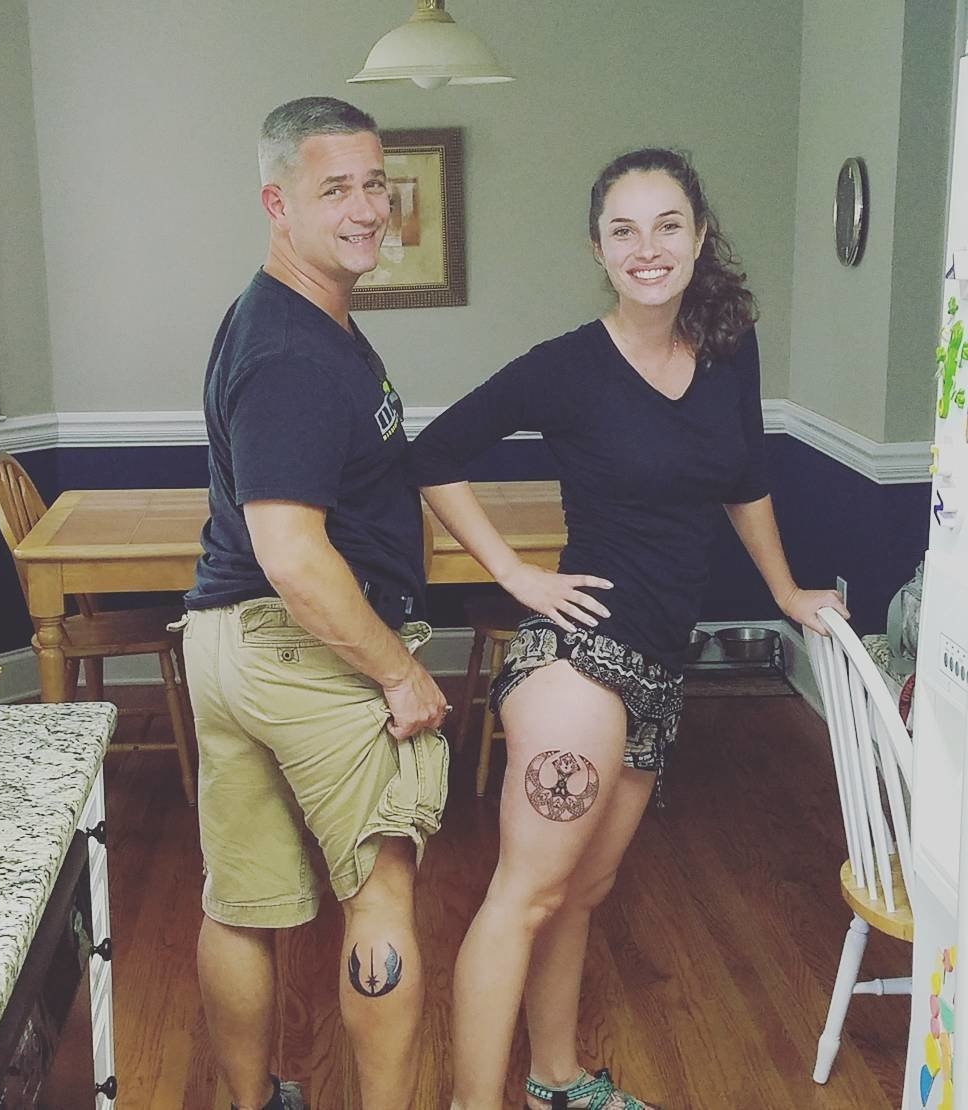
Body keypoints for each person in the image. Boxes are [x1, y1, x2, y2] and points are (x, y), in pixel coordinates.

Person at [408, 148, 849, 1110]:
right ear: (598, 249)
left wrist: (783, 590)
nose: (647, 248)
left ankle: (557, 1080)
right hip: (582, 659)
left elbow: (746, 480)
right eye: (624, 229)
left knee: (580, 894)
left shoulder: (729, 349)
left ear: (697, 237)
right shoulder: (567, 368)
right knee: (524, 895)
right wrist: (515, 572)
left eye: (667, 225)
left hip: (657, 661)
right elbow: (432, 456)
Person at [179, 96, 449, 1110]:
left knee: (241, 905)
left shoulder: (289, 319)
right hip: (298, 646)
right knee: (378, 893)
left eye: (376, 182)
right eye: (335, 187)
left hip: (225, 643)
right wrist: (399, 668)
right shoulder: (292, 349)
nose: (368, 207)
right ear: (276, 201)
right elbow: (291, 552)